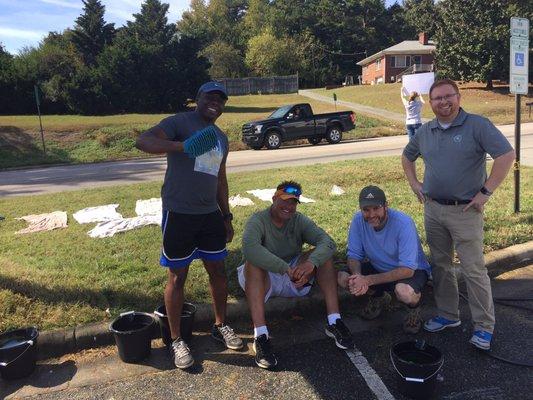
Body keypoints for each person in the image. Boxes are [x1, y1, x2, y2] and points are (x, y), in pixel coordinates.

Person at [135, 81, 243, 369]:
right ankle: (176, 340)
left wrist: (226, 215)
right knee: (177, 277)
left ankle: (220, 326)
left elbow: (220, 179)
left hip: (210, 215)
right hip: (179, 213)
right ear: (198, 98)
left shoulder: (220, 137)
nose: (215, 103)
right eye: (210, 97)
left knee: (218, 271)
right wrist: (182, 146)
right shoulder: (180, 122)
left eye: (221, 100)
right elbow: (143, 141)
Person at [402, 78, 515, 350]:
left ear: (458, 97)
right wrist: (415, 184)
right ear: (430, 103)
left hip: (465, 210)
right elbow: (407, 157)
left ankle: (484, 327)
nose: (443, 102)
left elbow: (506, 156)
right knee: (440, 266)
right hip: (434, 209)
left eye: (448, 96)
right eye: (438, 98)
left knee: (473, 270)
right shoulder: (426, 131)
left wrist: (486, 192)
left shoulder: (478, 125)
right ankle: (448, 315)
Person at [238, 181, 354, 369]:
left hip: (293, 273)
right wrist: (284, 268)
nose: (289, 207)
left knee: (323, 257)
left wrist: (310, 264)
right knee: (253, 264)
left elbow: (328, 242)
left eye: (293, 202)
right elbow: (251, 250)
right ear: (274, 198)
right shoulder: (257, 220)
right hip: (264, 278)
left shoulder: (299, 220)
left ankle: (334, 321)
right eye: (284, 201)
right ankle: (260, 335)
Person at [338, 185, 431, 334]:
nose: (371, 214)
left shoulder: (403, 223)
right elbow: (354, 255)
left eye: (376, 208)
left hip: (411, 271)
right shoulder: (357, 221)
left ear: (386, 206)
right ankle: (379, 297)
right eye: (366, 210)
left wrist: (367, 280)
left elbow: (407, 270)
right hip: (379, 267)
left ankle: (414, 308)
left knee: (404, 292)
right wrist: (358, 276)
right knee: (344, 278)